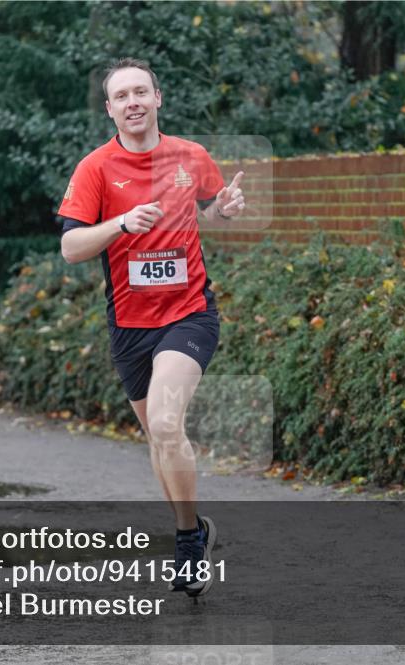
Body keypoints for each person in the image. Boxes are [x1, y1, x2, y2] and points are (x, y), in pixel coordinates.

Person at [57, 57, 245, 596]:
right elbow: (71, 248)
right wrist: (118, 223)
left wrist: (225, 209)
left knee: (166, 425)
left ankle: (188, 547)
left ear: (158, 99)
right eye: (122, 95)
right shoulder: (95, 168)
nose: (133, 102)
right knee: (159, 440)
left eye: (142, 92)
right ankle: (195, 529)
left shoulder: (191, 156)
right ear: (110, 108)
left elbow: (208, 211)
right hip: (129, 326)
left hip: (188, 313)